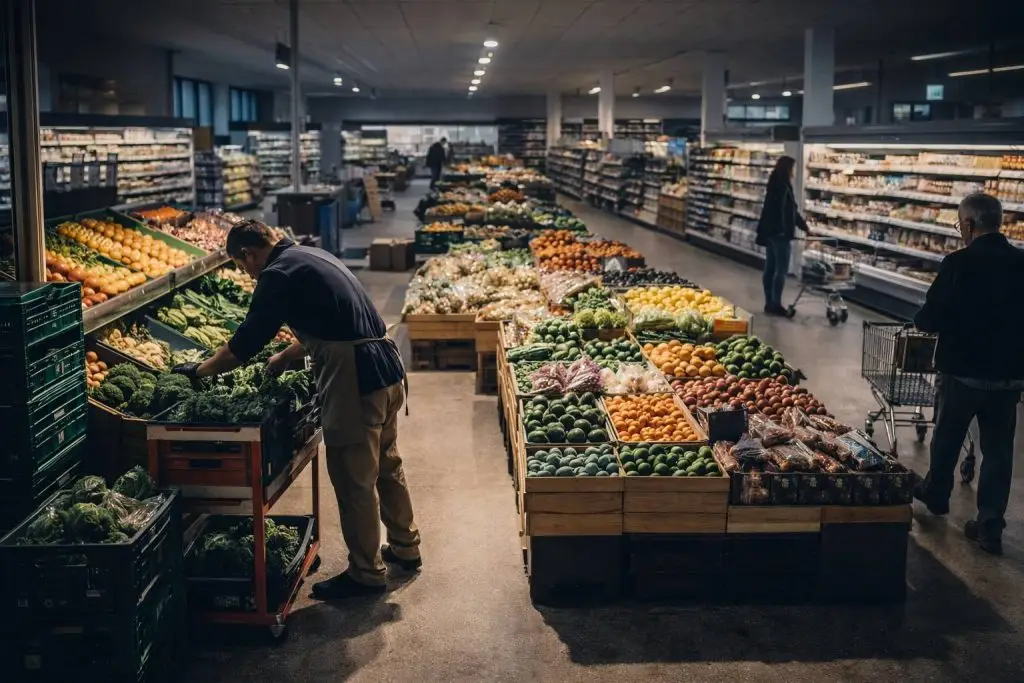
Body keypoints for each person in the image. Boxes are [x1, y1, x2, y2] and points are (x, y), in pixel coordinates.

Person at [172, 221, 422, 597]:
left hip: (355, 378)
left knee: (354, 477)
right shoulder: (309, 256)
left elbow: (245, 343)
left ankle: (366, 573)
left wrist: (200, 370)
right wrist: (287, 355)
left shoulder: (277, 275)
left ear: (248, 254)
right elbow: (335, 320)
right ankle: (406, 547)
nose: (250, 274)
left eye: (244, 268)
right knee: (387, 464)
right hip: (385, 368)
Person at [913, 192, 1024, 556]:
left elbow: (930, 316)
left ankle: (937, 496)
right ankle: (990, 524)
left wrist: (926, 321)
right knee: (998, 451)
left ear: (970, 225)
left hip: (962, 371)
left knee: (947, 436)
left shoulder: (959, 263)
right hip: (1008, 377)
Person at [755, 155, 807, 316]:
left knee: (770, 268)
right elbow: (789, 211)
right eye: (793, 168)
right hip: (780, 234)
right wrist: (789, 229)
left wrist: (802, 226)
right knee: (781, 270)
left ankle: (769, 302)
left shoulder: (774, 184)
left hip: (771, 233)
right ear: (787, 169)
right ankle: (776, 304)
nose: (794, 172)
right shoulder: (783, 187)